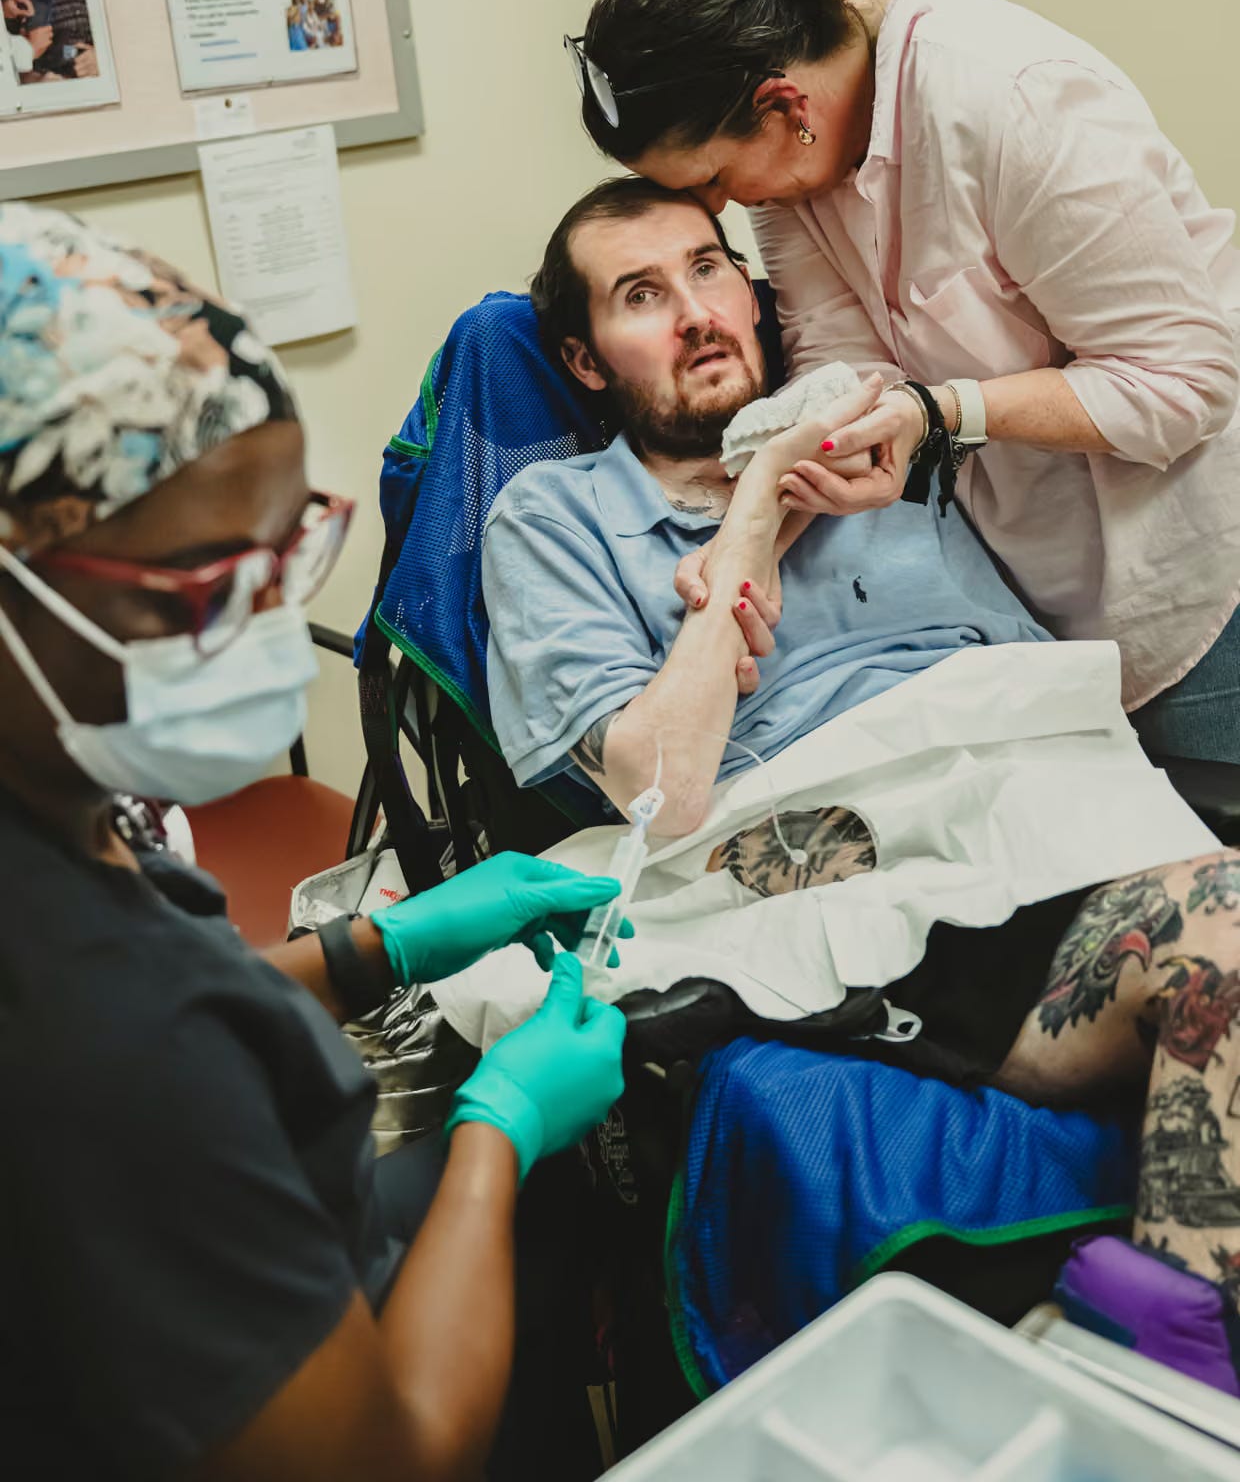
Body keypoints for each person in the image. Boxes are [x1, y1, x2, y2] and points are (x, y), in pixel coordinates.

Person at [469, 175, 1240, 1388]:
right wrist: (750, 517)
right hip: (881, 871)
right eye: (641, 295)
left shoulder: (882, 450)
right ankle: (1171, 1384)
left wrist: (838, 446)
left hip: (1064, 806)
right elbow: (659, 790)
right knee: (1226, 938)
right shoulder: (551, 518)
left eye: (708, 268)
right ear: (583, 358)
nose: (696, 311)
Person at [0, 203, 628, 1482]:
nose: (271, 631)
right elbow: (380, 1457)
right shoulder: (106, 1044)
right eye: (206, 583)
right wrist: (496, 1133)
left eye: (290, 547)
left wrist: (376, 945)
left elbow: (174, 988)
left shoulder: (59, 801)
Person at [568, 0, 1240, 767]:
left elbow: (1186, 383)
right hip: (1032, 591)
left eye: (715, 180)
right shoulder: (793, 163)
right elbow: (844, 364)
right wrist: (753, 540)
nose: (720, 208)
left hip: (1193, 558)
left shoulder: (1015, 103)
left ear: (784, 107)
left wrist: (942, 412)